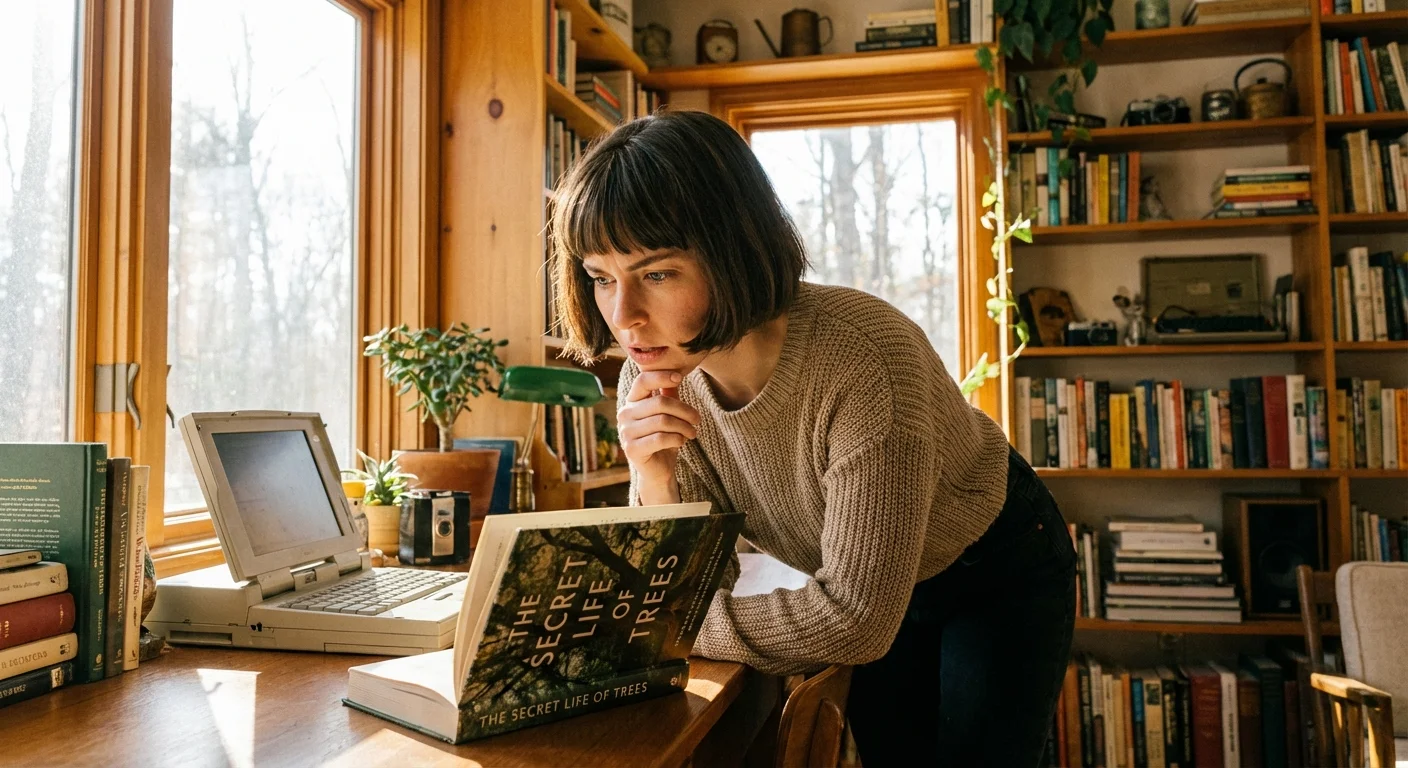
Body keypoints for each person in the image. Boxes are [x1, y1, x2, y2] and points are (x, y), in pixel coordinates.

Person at [548, 109, 1075, 767]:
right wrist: (653, 477)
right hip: (879, 588)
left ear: (733, 250)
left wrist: (663, 629)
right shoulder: (650, 379)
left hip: (995, 564)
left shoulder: (862, 359)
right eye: (601, 277)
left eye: (656, 273)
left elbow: (852, 620)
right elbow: (689, 582)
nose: (623, 316)